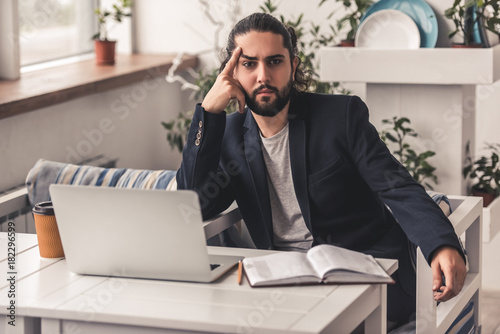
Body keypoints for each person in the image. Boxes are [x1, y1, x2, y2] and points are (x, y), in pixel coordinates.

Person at [176, 12, 466, 325]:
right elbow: (194, 206)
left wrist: (442, 244)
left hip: (361, 271)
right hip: (281, 278)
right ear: (230, 72)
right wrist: (207, 113)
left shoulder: (340, 116)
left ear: (293, 66)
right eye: (249, 64)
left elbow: (397, 186)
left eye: (275, 61)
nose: (263, 75)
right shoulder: (228, 133)